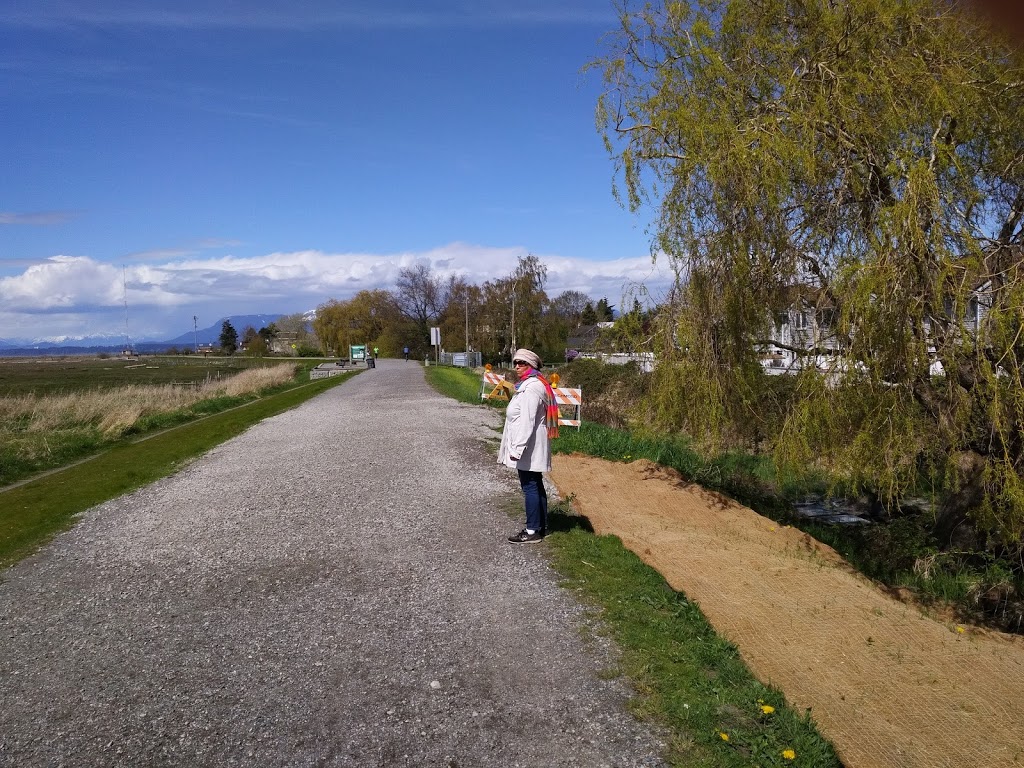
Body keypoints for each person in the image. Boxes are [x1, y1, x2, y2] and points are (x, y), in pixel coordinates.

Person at [497, 348, 559, 543]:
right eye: (516, 363)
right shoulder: (532, 383)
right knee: (535, 483)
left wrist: (516, 448)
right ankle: (542, 525)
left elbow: (528, 420)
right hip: (532, 444)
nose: (517, 366)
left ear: (532, 366)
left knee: (530, 486)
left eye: (522, 363)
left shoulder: (531, 387)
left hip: (529, 446)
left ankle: (532, 531)